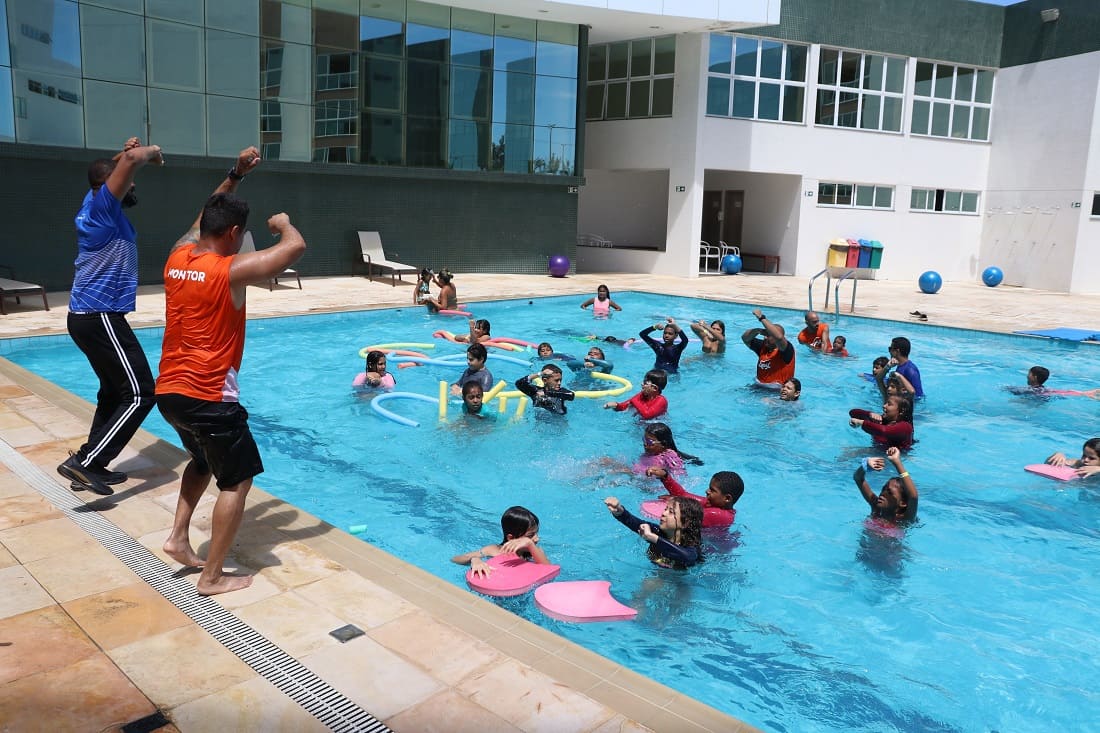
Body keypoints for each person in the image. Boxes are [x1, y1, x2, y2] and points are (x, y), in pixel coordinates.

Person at [156, 147, 305, 595]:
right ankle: (212, 576)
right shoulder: (230, 271)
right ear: (235, 233)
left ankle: (178, 538)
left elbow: (203, 216)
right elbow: (294, 248)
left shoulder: (176, 258)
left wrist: (235, 174)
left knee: (201, 460)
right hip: (209, 396)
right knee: (237, 481)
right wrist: (283, 224)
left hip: (170, 393)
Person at [57, 136, 165, 496]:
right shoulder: (103, 208)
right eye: (126, 181)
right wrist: (151, 154)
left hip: (89, 316)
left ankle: (92, 464)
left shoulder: (94, 204)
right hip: (99, 314)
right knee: (140, 393)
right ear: (109, 185)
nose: (131, 185)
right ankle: (85, 463)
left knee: (113, 392)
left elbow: (120, 164)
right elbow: (130, 163)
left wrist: (124, 153)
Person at [604, 495, 703, 569]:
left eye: (671, 512)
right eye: (665, 509)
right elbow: (633, 522)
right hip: (658, 572)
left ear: (685, 523)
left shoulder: (691, 546)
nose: (664, 513)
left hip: (682, 578)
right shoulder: (657, 531)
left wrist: (653, 538)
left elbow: (688, 557)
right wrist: (619, 511)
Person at [451, 506, 550, 578]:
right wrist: (475, 560)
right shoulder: (494, 550)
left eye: (536, 533)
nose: (537, 539)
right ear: (511, 538)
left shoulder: (534, 552)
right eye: (530, 536)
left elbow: (549, 570)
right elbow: (455, 559)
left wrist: (529, 544)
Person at [646, 467, 743, 528]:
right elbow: (683, 494)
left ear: (727, 498)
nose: (707, 491)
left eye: (712, 490)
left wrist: (676, 500)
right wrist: (665, 476)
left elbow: (682, 516)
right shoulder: (712, 504)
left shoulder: (719, 515)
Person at [852, 447, 918, 525]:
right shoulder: (876, 508)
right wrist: (865, 466)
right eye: (883, 489)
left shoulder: (904, 519)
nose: (883, 494)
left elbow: (913, 497)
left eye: (889, 492)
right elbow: (858, 478)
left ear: (902, 503)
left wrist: (897, 462)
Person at [741, 309, 795, 386]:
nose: (765, 337)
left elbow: (779, 338)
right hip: (758, 387)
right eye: (765, 335)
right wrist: (758, 331)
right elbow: (745, 338)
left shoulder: (786, 350)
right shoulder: (763, 347)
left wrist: (761, 318)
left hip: (776, 391)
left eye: (768, 335)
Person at [849, 394, 914, 450]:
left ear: (901, 411)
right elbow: (853, 413)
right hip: (878, 452)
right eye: (885, 403)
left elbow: (884, 431)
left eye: (889, 404)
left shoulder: (905, 426)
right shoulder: (881, 420)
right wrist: (869, 414)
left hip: (898, 457)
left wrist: (861, 422)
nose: (884, 406)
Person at [634, 422, 702, 475]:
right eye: (644, 440)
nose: (645, 444)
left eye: (649, 442)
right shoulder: (647, 455)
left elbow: (680, 477)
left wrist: (662, 474)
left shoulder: (669, 456)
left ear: (663, 444)